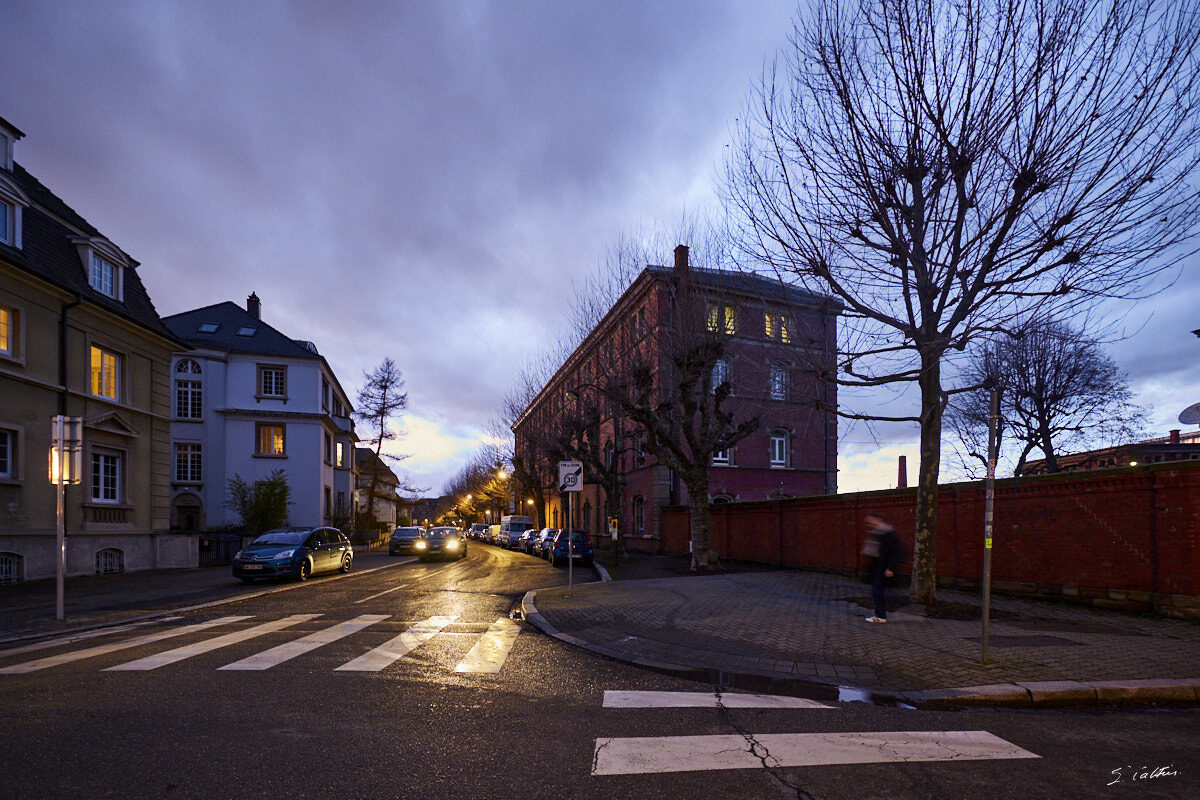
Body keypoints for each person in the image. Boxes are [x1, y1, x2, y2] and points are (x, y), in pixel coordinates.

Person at [862, 514, 902, 623]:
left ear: (878, 520)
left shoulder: (887, 533)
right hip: (878, 566)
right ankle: (880, 615)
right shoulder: (878, 533)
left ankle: (880, 616)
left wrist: (890, 568)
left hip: (883, 567)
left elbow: (895, 551)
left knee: (878, 591)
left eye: (871, 521)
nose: (869, 524)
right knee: (878, 590)